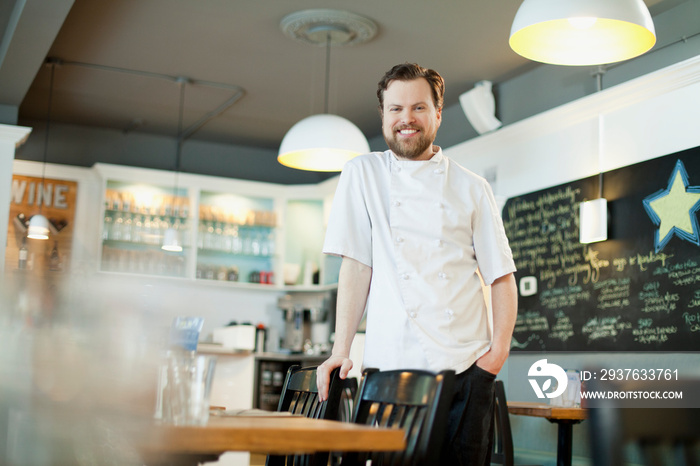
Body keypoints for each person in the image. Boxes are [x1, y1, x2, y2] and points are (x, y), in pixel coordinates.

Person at [316, 62, 517, 465]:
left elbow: (501, 276)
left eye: (419, 108)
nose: (406, 119)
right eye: (395, 109)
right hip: (390, 371)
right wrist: (340, 349)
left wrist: (495, 356)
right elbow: (357, 266)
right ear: (383, 115)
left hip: (464, 368)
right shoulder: (362, 174)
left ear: (438, 114)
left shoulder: (472, 187)